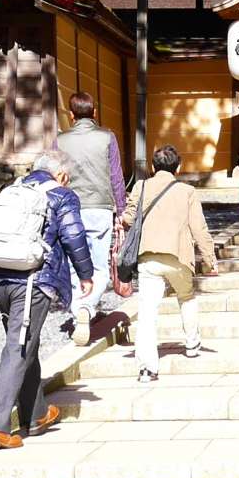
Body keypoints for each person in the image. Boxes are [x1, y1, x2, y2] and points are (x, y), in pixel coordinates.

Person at [0, 148, 93, 449]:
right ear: (62, 174)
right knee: (18, 348)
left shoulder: (12, 190)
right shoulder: (63, 195)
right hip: (31, 279)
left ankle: (36, 415)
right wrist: (86, 274)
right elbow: (73, 236)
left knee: (26, 343)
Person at [122, 144, 217, 382]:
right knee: (186, 296)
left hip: (148, 257)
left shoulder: (140, 186)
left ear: (154, 166)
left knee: (147, 312)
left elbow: (129, 218)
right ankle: (192, 343)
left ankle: (147, 368)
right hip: (178, 256)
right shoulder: (187, 191)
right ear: (179, 167)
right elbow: (199, 227)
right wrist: (209, 259)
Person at [53, 91, 126, 345]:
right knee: (99, 267)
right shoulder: (107, 137)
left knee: (74, 265)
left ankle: (78, 313)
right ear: (94, 113)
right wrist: (121, 208)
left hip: (69, 210)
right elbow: (116, 176)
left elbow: (53, 175)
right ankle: (87, 307)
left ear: (71, 115)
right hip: (100, 208)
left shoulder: (60, 140)